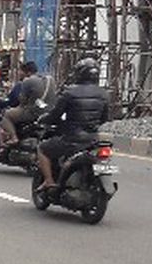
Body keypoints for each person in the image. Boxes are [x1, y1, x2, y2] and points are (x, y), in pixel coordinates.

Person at [35, 58, 109, 191]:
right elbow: (105, 118)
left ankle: (49, 181)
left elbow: (55, 114)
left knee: (42, 149)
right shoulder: (104, 94)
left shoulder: (69, 92)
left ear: (79, 74)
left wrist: (44, 119)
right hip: (92, 140)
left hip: (72, 139)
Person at [0, 60, 48, 146]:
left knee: (5, 115)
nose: (19, 73)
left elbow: (22, 101)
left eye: (20, 71)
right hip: (46, 110)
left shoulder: (27, 81)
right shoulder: (46, 80)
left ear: (27, 72)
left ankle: (14, 137)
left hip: (32, 112)